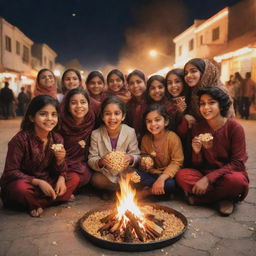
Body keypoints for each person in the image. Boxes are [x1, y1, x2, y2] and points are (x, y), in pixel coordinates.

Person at [0, 95, 79, 217]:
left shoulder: (57, 138)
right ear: (32, 117)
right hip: (26, 183)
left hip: (48, 180)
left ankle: (34, 203)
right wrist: (38, 182)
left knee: (74, 178)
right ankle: (54, 199)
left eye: (54, 114)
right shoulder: (20, 140)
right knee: (19, 189)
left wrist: (61, 168)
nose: (49, 119)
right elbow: (11, 171)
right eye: (43, 114)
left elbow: (60, 170)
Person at [176, 87, 249, 216]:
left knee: (236, 182)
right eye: (202, 103)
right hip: (204, 172)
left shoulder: (234, 128)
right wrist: (197, 152)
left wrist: (208, 180)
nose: (205, 107)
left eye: (211, 102)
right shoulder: (198, 128)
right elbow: (197, 165)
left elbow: (238, 163)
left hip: (227, 174)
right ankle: (224, 198)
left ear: (221, 105)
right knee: (182, 175)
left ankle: (204, 199)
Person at [88, 96, 140, 195]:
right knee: (96, 180)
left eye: (117, 113)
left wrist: (130, 158)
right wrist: (100, 161)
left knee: (134, 176)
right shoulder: (96, 134)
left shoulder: (130, 132)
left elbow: (137, 155)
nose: (112, 118)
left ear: (123, 116)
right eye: (108, 114)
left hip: (124, 172)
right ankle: (119, 191)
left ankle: (115, 193)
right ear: (102, 117)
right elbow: (91, 159)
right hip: (106, 174)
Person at [137, 104, 184, 198]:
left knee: (171, 184)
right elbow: (143, 156)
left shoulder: (172, 138)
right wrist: (145, 161)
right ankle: (159, 191)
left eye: (157, 120)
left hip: (167, 176)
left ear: (166, 122)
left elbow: (177, 162)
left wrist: (161, 179)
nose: (153, 124)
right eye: (149, 121)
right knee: (134, 176)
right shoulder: (146, 139)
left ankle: (147, 192)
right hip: (152, 174)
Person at [60, 88, 96, 190]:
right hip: (60, 164)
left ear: (89, 104)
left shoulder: (92, 120)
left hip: (82, 165)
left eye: (83, 102)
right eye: (74, 103)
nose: (79, 106)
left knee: (76, 178)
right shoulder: (61, 123)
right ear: (67, 105)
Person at [126, 69, 148, 142]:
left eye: (138, 82)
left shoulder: (152, 102)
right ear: (128, 86)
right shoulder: (127, 106)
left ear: (145, 82)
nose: (135, 86)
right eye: (131, 83)